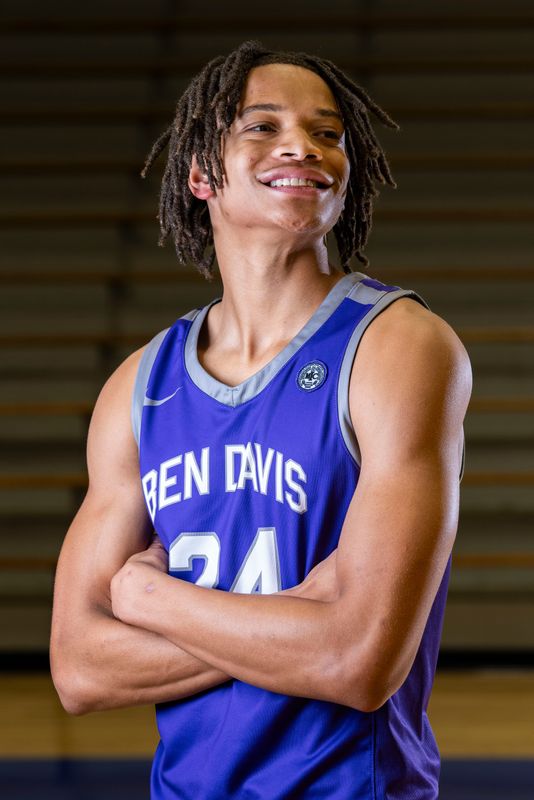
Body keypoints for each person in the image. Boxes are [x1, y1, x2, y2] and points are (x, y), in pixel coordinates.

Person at [50, 39, 472, 799]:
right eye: (263, 126)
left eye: (327, 133)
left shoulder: (398, 348)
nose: (303, 147)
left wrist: (154, 602)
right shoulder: (137, 388)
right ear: (201, 173)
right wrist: (294, 620)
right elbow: (79, 668)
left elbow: (360, 663)